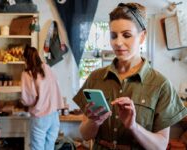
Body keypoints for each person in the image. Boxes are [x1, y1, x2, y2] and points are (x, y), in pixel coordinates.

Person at [73, 3, 187, 150]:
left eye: (126, 35)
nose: (118, 43)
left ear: (142, 36)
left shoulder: (161, 85)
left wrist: (133, 127)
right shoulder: (95, 78)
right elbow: (85, 134)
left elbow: (160, 146)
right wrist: (94, 122)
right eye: (113, 36)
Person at [21, 46, 64, 150]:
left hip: (40, 117)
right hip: (54, 115)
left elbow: (28, 99)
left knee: (37, 148)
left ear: (26, 59)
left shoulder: (27, 73)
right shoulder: (47, 68)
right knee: (49, 147)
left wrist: (23, 103)